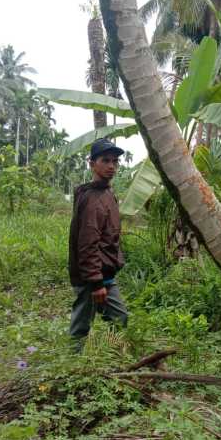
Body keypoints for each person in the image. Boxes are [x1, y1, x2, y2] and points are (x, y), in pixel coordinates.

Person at [68, 138, 129, 351]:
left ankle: (113, 360)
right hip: (92, 277)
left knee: (119, 318)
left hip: (105, 273)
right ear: (92, 164)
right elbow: (87, 242)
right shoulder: (92, 199)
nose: (112, 166)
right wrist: (95, 282)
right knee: (81, 325)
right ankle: (70, 370)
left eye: (115, 161)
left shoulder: (107, 193)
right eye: (105, 160)